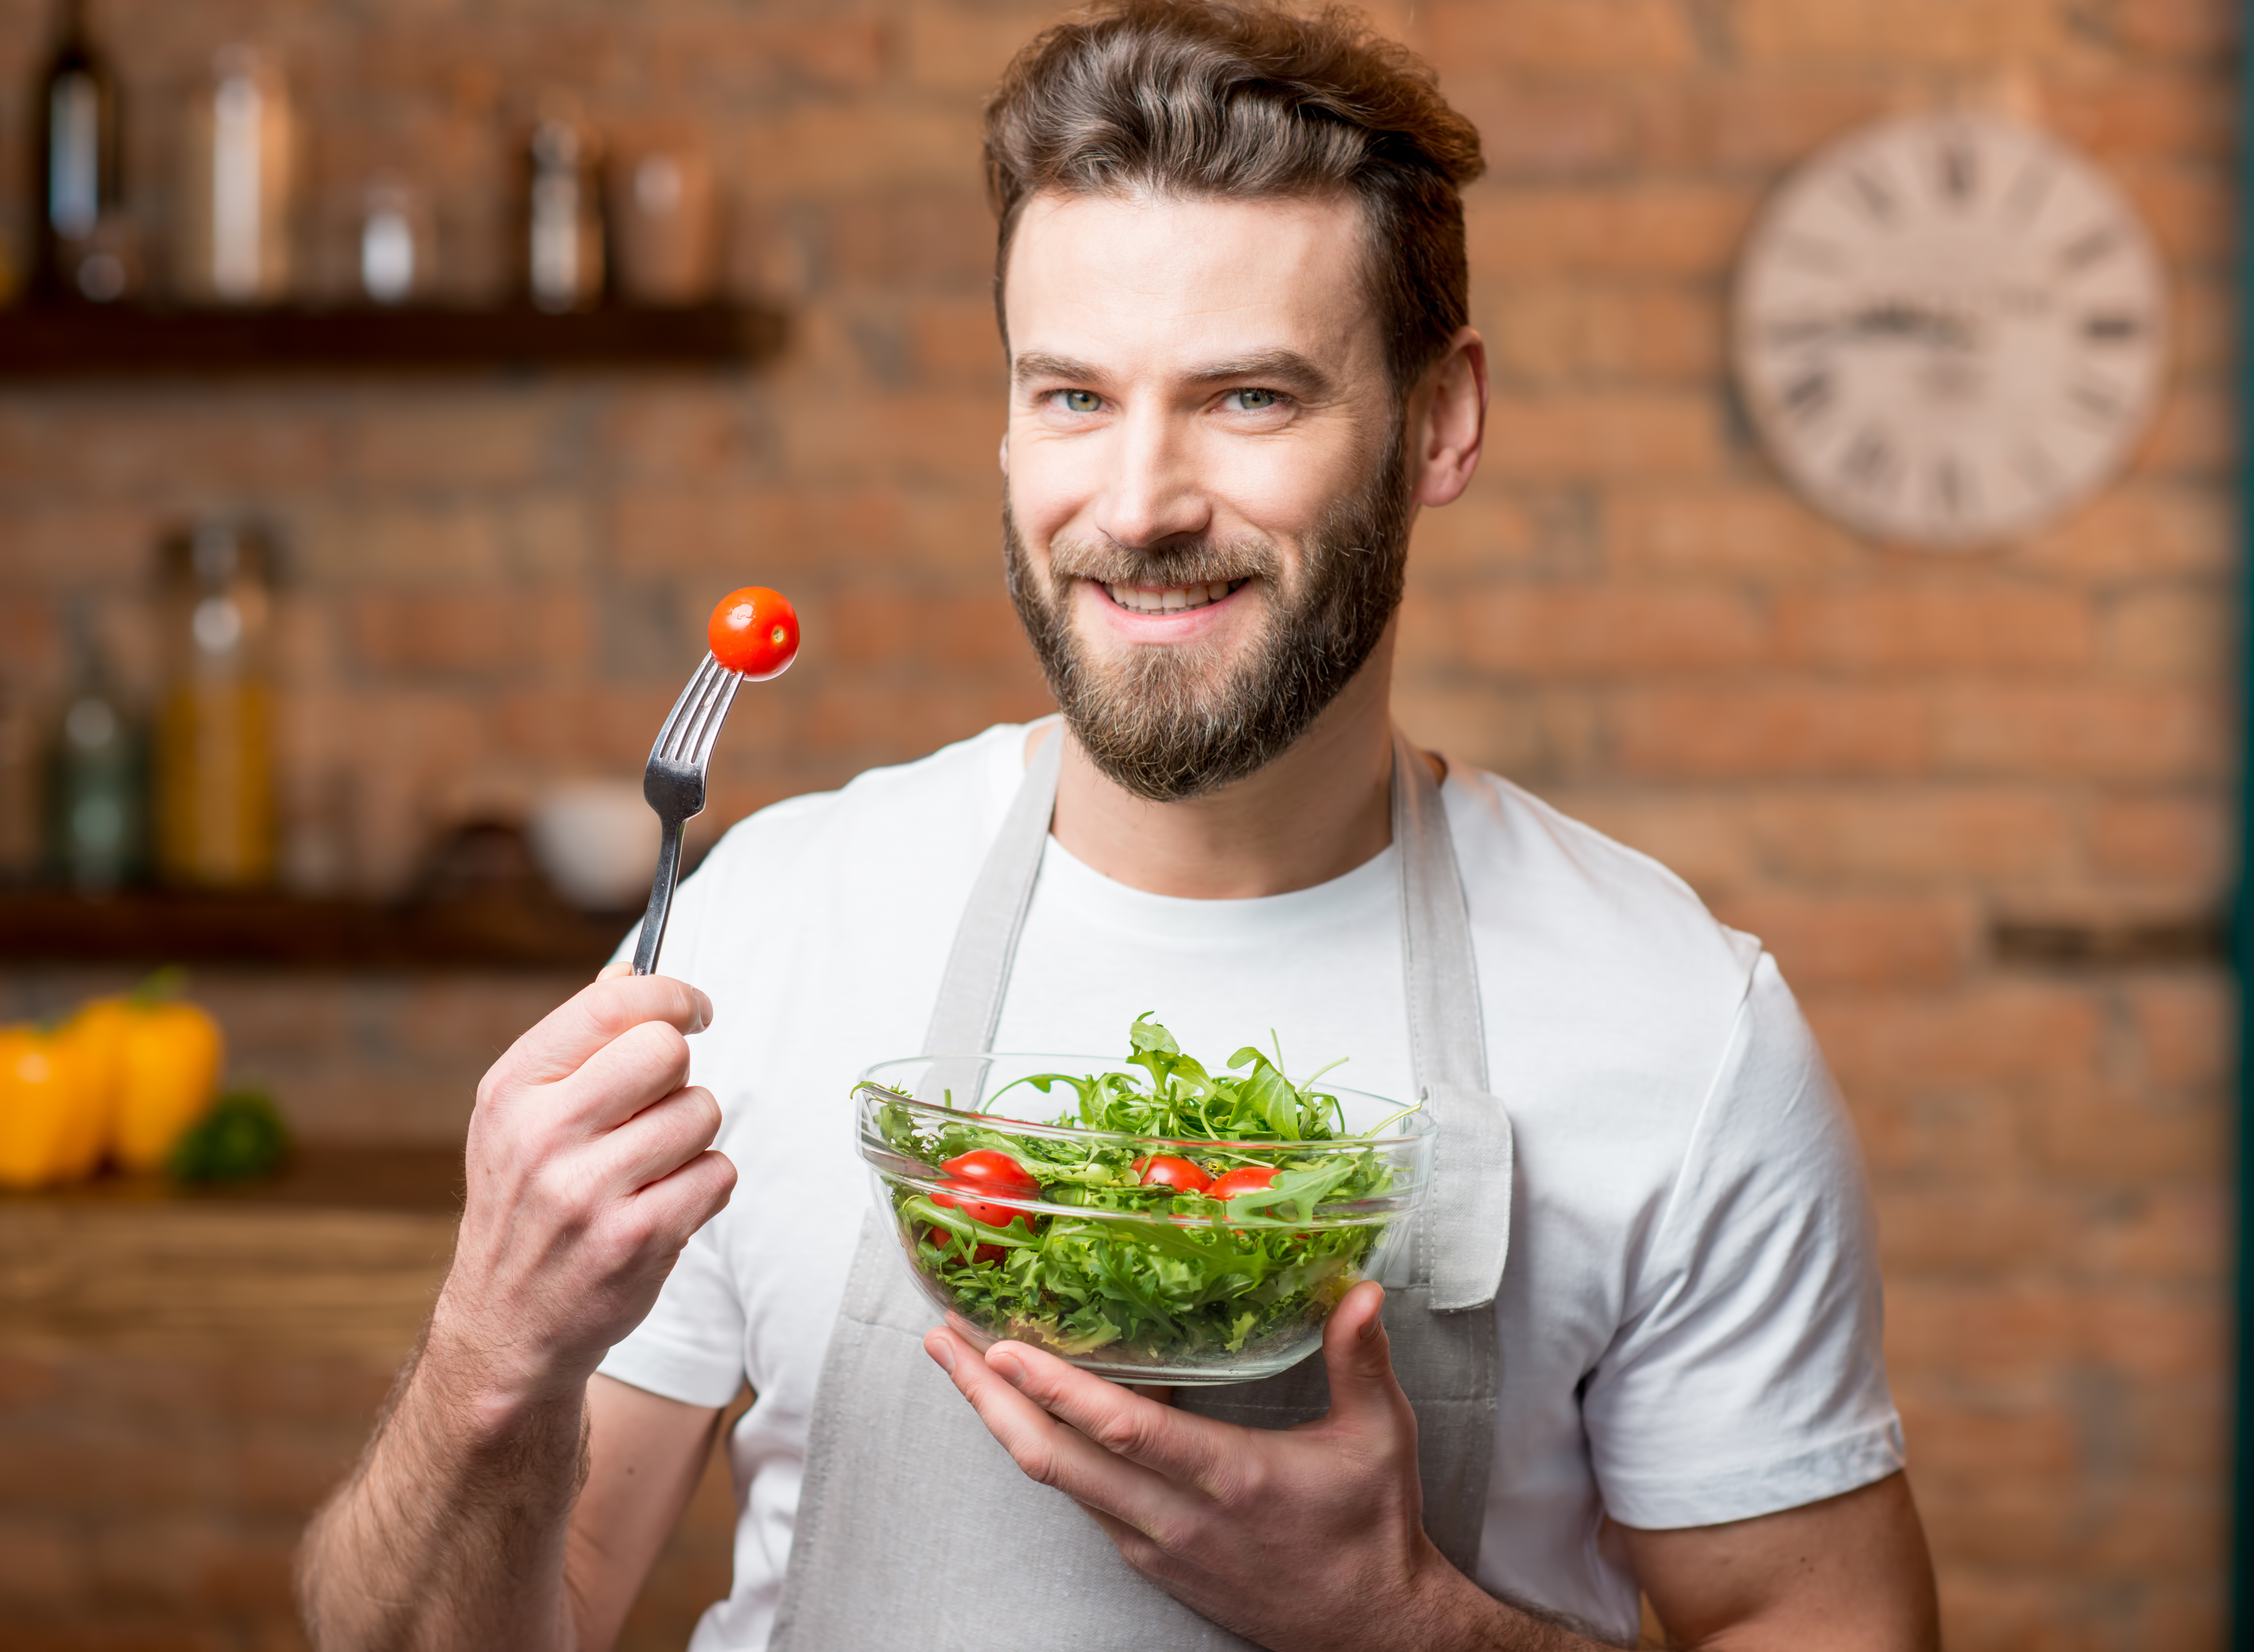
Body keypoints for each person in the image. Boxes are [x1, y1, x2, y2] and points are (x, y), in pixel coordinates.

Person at [296, 4, 1941, 1648]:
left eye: (1246, 398)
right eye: (1074, 395)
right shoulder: (769, 928)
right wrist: (481, 1363)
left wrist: (1395, 1620)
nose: (1139, 503)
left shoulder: (1676, 1022)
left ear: (1439, 422)